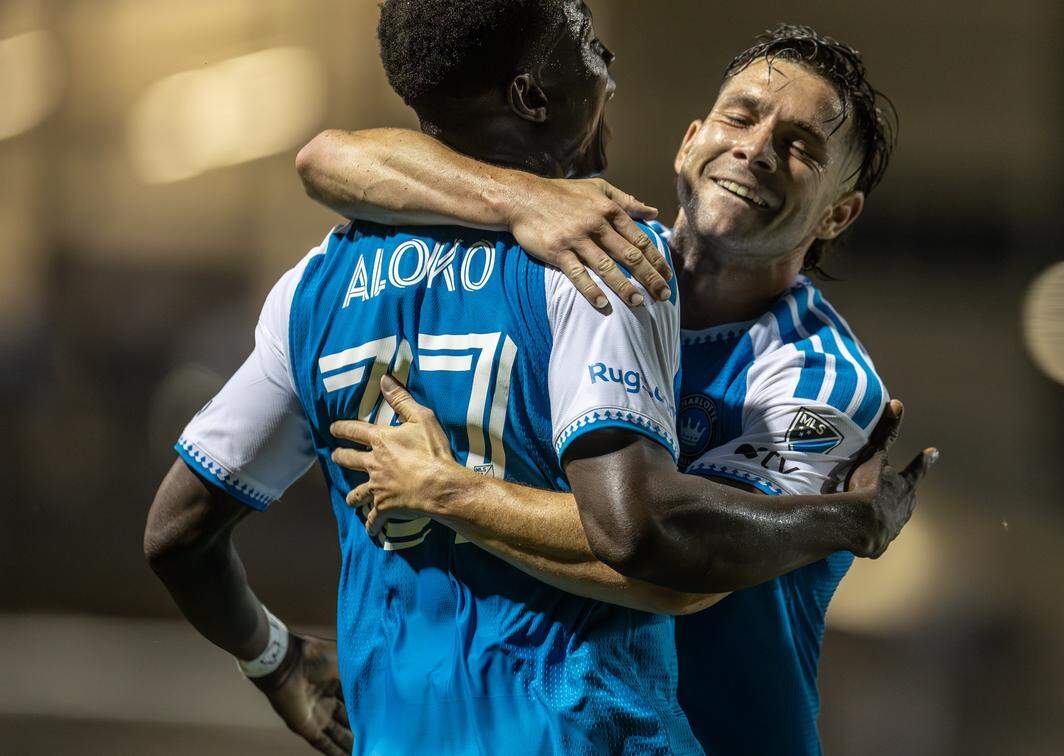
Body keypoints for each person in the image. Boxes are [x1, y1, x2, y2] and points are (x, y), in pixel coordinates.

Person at [145, 3, 927, 753]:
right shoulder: (588, 264)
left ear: (839, 215)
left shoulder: (818, 379)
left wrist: (447, 492)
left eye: (801, 147)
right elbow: (326, 157)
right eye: (741, 115)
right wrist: (523, 197)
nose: (756, 148)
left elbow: (676, 570)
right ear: (691, 140)